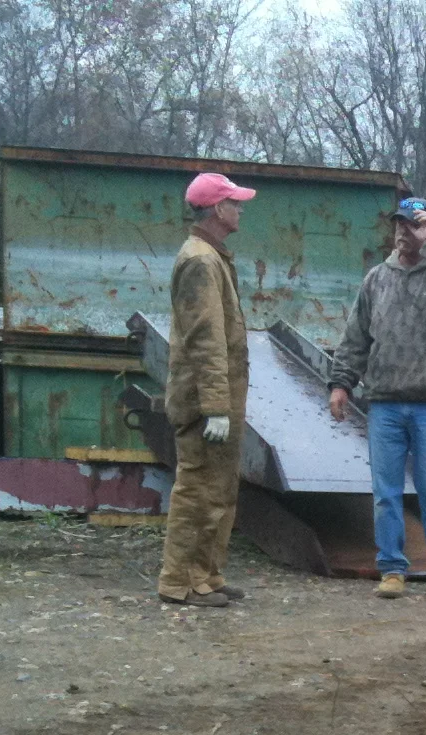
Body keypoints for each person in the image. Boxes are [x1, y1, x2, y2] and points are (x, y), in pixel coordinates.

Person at [329, 197, 426, 601]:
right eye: (400, 223)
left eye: (415, 224)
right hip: (386, 405)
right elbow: (356, 338)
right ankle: (392, 568)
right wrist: (341, 383)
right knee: (385, 493)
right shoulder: (377, 279)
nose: (404, 231)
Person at [158, 171, 255, 607]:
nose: (240, 209)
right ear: (218, 209)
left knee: (218, 489)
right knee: (197, 489)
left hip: (217, 397)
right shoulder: (200, 260)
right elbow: (205, 338)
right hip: (204, 400)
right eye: (235, 203)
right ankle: (179, 582)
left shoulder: (211, 255)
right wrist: (216, 406)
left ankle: (206, 575)